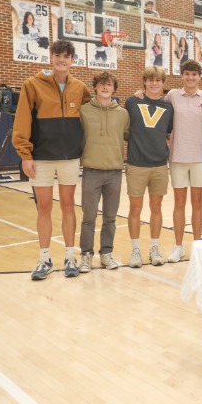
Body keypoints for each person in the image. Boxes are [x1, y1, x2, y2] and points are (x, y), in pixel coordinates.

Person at [12, 39, 91, 280]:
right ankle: (44, 259)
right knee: (44, 207)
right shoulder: (32, 85)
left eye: (66, 56)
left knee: (68, 206)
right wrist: (25, 154)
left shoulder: (80, 88)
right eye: (58, 55)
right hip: (41, 158)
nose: (62, 60)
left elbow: (94, 111)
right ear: (51, 58)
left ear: (72, 60)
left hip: (70, 157)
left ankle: (70, 257)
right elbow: (22, 120)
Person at [78, 72, 130, 273]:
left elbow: (130, 137)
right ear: (95, 87)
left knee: (110, 217)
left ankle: (106, 253)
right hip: (91, 171)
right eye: (101, 84)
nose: (105, 87)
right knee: (89, 217)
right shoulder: (84, 111)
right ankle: (86, 254)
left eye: (109, 85)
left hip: (114, 172)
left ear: (114, 89)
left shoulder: (123, 114)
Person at [164, 60, 202, 262]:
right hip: (177, 157)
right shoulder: (172, 95)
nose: (190, 78)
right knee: (179, 203)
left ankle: (197, 245)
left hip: (200, 158)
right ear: (182, 76)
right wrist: (139, 94)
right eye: (187, 74)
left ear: (200, 77)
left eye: (194, 74)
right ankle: (178, 246)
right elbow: (158, 109)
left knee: (197, 203)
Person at [125, 66, 174, 268]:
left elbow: (167, 132)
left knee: (156, 207)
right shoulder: (132, 102)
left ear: (163, 83)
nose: (154, 83)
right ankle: (135, 249)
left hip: (160, 165)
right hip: (136, 164)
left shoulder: (168, 107)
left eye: (158, 80)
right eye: (151, 80)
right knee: (135, 208)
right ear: (144, 81)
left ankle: (154, 248)